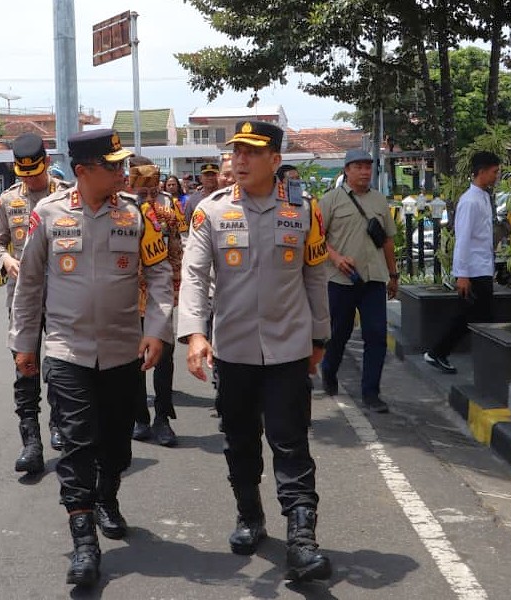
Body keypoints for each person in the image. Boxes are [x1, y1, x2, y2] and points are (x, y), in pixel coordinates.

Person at [9, 129, 173, 587]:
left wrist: (157, 330)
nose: (123, 171)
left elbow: (160, 275)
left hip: (124, 352)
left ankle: (107, 496)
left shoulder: (136, 215)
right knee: (78, 443)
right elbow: (30, 285)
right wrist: (24, 343)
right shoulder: (48, 215)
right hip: (67, 351)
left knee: (117, 445)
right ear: (83, 171)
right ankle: (84, 540)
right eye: (113, 165)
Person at [178, 120, 332, 582]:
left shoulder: (305, 211)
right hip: (234, 351)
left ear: (275, 161)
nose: (239, 161)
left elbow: (315, 278)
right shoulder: (210, 211)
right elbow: (194, 275)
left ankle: (302, 539)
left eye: (251, 153)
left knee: (291, 442)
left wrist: (319, 338)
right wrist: (195, 333)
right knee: (240, 441)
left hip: (288, 349)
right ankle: (250, 514)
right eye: (235, 152)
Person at [0, 132, 69, 475]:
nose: (29, 180)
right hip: (21, 296)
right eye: (23, 174)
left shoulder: (67, 196)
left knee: (60, 368)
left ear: (47, 163)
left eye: (35, 173)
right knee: (25, 369)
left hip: (63, 295)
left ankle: (58, 425)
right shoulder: (8, 201)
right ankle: (31, 443)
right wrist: (6, 261)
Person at [318, 149, 399, 414]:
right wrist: (337, 257)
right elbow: (317, 238)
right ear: (347, 170)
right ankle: (329, 371)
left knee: (376, 336)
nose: (365, 171)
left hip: (374, 279)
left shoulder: (378, 200)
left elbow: (387, 239)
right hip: (341, 280)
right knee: (338, 334)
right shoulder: (330, 200)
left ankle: (371, 392)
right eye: (359, 167)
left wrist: (393, 274)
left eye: (368, 166)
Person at [424, 151, 501, 373]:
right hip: (473, 270)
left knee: (475, 316)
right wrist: (462, 274)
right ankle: (438, 352)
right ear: (482, 171)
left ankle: (439, 352)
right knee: (474, 317)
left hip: (483, 267)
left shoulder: (484, 197)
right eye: (494, 172)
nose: (497, 176)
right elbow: (463, 240)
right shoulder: (469, 201)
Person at [126, 160, 183, 447]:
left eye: (152, 191)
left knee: (164, 358)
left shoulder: (170, 211)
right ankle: (140, 418)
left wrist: (175, 288)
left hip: (161, 294)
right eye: (141, 193)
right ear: (130, 188)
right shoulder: (123, 211)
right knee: (135, 359)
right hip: (130, 296)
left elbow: (176, 250)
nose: (147, 198)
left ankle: (163, 417)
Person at [183, 163, 221, 227]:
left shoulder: (225, 196)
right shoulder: (193, 198)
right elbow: (188, 221)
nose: (210, 178)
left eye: (213, 175)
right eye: (207, 175)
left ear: (219, 177)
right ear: (200, 178)